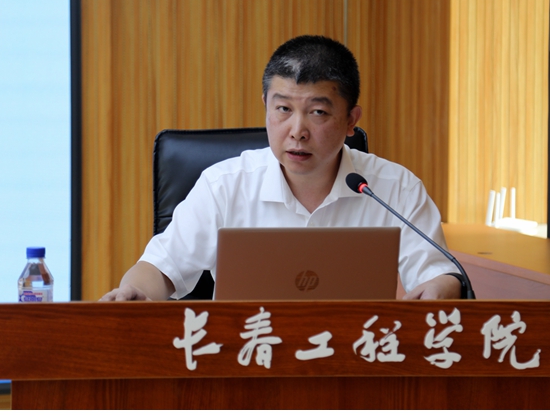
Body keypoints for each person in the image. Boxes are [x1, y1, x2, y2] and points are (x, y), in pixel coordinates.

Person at [100, 35, 464, 301]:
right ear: (266, 107)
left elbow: (437, 273)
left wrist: (444, 286)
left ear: (351, 120)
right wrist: (134, 292)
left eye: (318, 112)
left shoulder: (394, 188)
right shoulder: (225, 185)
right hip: (247, 357)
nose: (297, 131)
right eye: (283, 109)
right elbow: (159, 268)